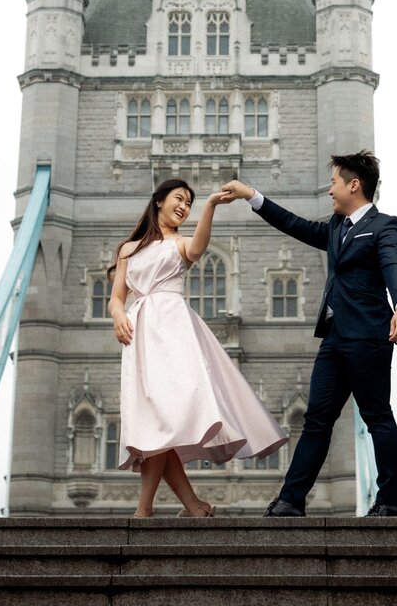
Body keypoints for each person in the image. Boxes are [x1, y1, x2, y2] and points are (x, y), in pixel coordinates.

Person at [222, 151, 397, 518]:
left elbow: (393, 265)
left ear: (354, 185)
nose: (329, 190)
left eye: (334, 182)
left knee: (377, 416)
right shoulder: (337, 228)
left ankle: (389, 501)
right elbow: (296, 224)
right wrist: (252, 196)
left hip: (370, 336)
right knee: (317, 419)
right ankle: (292, 500)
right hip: (335, 339)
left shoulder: (386, 225)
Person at [109, 178, 287, 517]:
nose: (184, 207)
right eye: (179, 199)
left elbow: (198, 249)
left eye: (189, 203)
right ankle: (194, 506)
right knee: (157, 423)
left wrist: (210, 206)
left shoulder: (181, 244)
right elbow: (117, 298)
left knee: (162, 422)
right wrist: (118, 315)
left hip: (173, 333)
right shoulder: (127, 250)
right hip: (140, 335)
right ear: (159, 200)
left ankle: (144, 511)